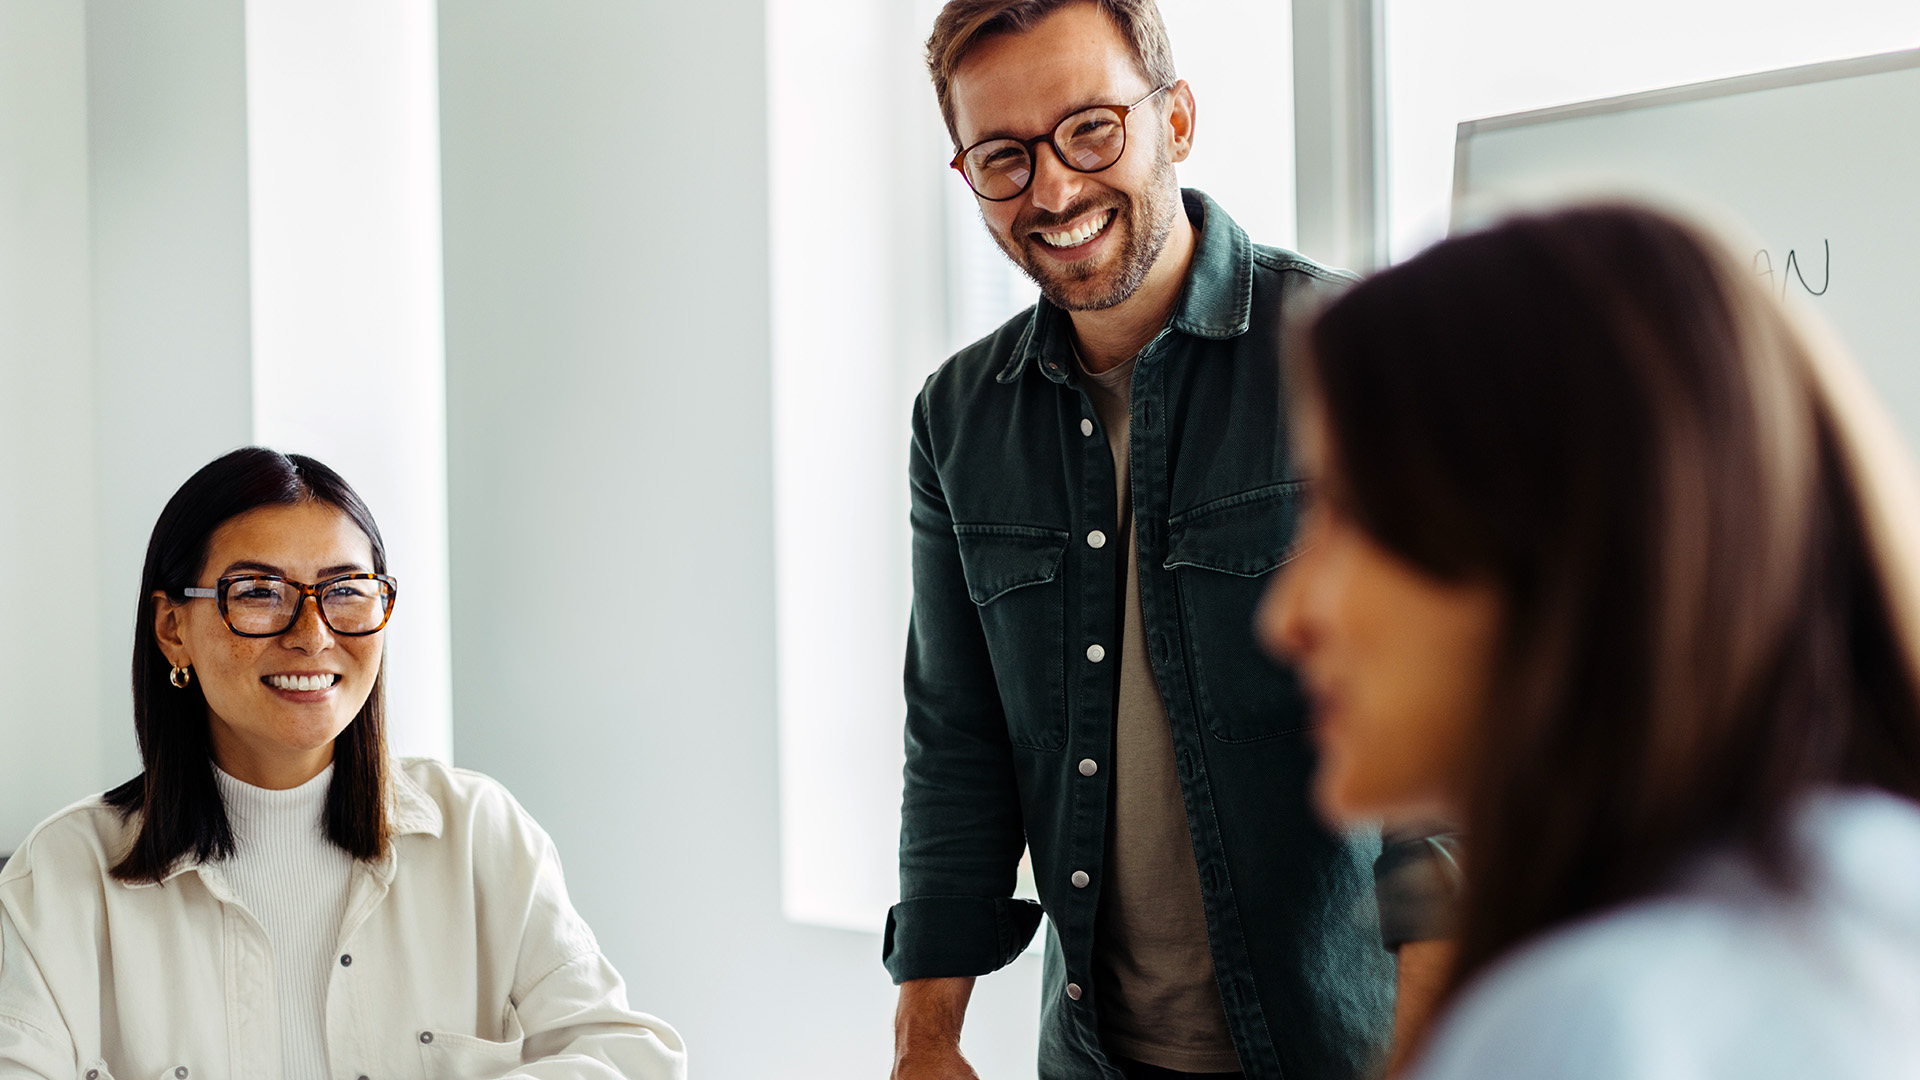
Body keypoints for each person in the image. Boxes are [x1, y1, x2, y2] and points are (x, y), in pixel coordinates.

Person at [886, 3, 1454, 1078]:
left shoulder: (1352, 358)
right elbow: (956, 741)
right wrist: (926, 1038)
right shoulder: (955, 420)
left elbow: (1448, 762)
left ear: (1176, 120)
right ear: (968, 178)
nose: (1052, 190)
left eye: (1090, 128)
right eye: (1004, 157)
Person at [1261, 203, 1920, 1079]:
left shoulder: (1583, 1022)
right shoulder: (1869, 889)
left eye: (1349, 515)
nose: (1286, 616)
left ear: (1560, 551)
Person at [0, 448, 686, 1079]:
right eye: (259, 593)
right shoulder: (62, 877)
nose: (313, 635)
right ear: (172, 628)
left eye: (346, 591)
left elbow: (627, 1058)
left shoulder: (480, 835)